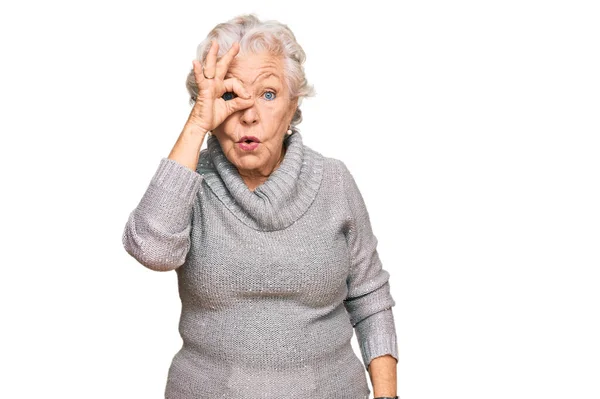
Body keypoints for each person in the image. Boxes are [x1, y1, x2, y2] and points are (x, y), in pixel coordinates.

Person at [122, 14, 399, 399]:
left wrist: (388, 396)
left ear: (293, 106)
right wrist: (197, 123)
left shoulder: (334, 181)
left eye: (269, 94)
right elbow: (152, 249)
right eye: (231, 96)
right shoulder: (191, 183)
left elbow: (370, 297)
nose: (249, 114)